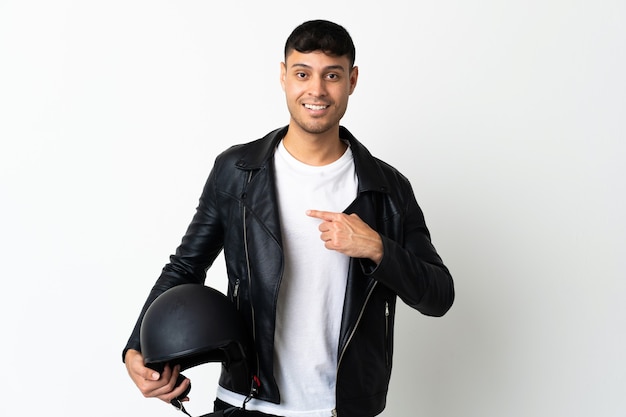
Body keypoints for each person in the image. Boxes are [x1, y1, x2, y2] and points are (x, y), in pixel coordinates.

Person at [123, 19, 455, 417]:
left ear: (352, 80)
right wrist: (136, 346)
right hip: (245, 402)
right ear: (284, 77)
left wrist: (377, 248)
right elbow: (186, 266)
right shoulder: (237, 171)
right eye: (303, 73)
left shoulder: (388, 189)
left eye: (332, 75)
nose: (316, 90)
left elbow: (439, 296)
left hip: (341, 408)